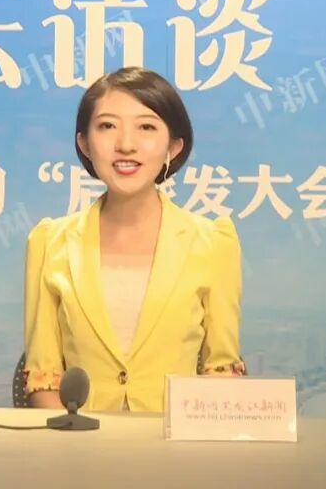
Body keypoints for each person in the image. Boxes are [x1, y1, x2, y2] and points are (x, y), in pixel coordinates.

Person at [23, 66, 247, 413]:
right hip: (79, 441)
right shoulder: (50, 242)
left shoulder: (214, 243)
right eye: (107, 126)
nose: (126, 145)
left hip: (177, 441)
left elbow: (222, 371)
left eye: (146, 127)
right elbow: (43, 380)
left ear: (173, 145)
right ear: (84, 143)